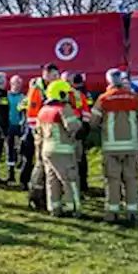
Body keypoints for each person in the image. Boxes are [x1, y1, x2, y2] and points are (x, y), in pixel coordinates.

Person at [89, 69, 138, 223]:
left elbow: (93, 123)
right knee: (131, 179)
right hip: (131, 146)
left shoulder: (103, 99)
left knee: (112, 180)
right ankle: (132, 213)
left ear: (108, 81)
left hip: (111, 147)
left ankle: (112, 213)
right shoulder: (134, 97)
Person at [36, 79, 84, 217]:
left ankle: (54, 208)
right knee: (70, 180)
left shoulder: (43, 110)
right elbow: (73, 127)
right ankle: (73, 208)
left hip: (46, 150)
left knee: (52, 180)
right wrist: (79, 123)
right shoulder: (63, 109)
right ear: (61, 94)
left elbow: (38, 134)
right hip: (62, 150)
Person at [22, 63, 61, 196]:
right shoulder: (36, 89)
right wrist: (37, 132)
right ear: (46, 74)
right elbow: (32, 114)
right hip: (40, 130)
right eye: (54, 75)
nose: (57, 78)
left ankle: (47, 189)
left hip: (50, 129)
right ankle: (35, 191)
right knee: (40, 160)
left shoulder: (55, 87)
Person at [68, 72, 94, 193]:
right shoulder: (85, 94)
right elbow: (88, 112)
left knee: (74, 158)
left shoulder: (71, 94)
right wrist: (85, 127)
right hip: (81, 127)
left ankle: (76, 184)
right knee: (81, 158)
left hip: (73, 127)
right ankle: (82, 184)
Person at [6, 75, 26, 184]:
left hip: (20, 126)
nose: (17, 86)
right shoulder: (6, 96)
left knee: (22, 147)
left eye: (19, 83)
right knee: (10, 148)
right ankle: (11, 174)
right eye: (15, 83)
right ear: (11, 84)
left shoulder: (23, 97)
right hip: (9, 125)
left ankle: (22, 170)